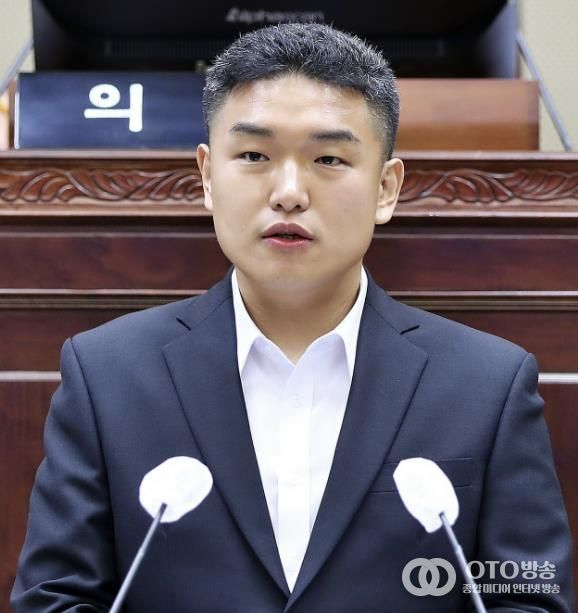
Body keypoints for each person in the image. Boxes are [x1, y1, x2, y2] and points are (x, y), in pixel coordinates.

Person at [12, 22, 574, 612]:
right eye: (254, 155)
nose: (288, 192)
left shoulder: (487, 385)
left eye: (328, 158)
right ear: (207, 176)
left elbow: (527, 600)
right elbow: (55, 598)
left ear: (386, 188)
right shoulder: (107, 375)